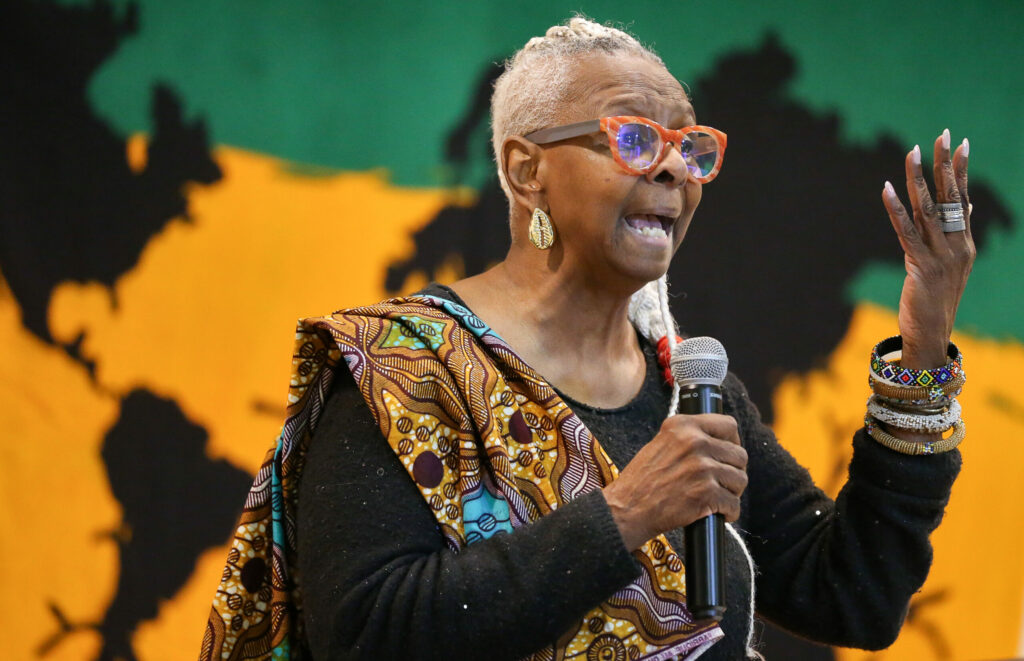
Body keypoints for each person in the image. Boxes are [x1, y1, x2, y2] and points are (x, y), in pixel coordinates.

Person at [200, 17, 974, 661]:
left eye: (690, 147)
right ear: (526, 169)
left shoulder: (688, 392)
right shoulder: (402, 368)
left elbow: (854, 595)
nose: (675, 169)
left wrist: (925, 343)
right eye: (635, 138)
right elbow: (367, 634)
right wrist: (625, 512)